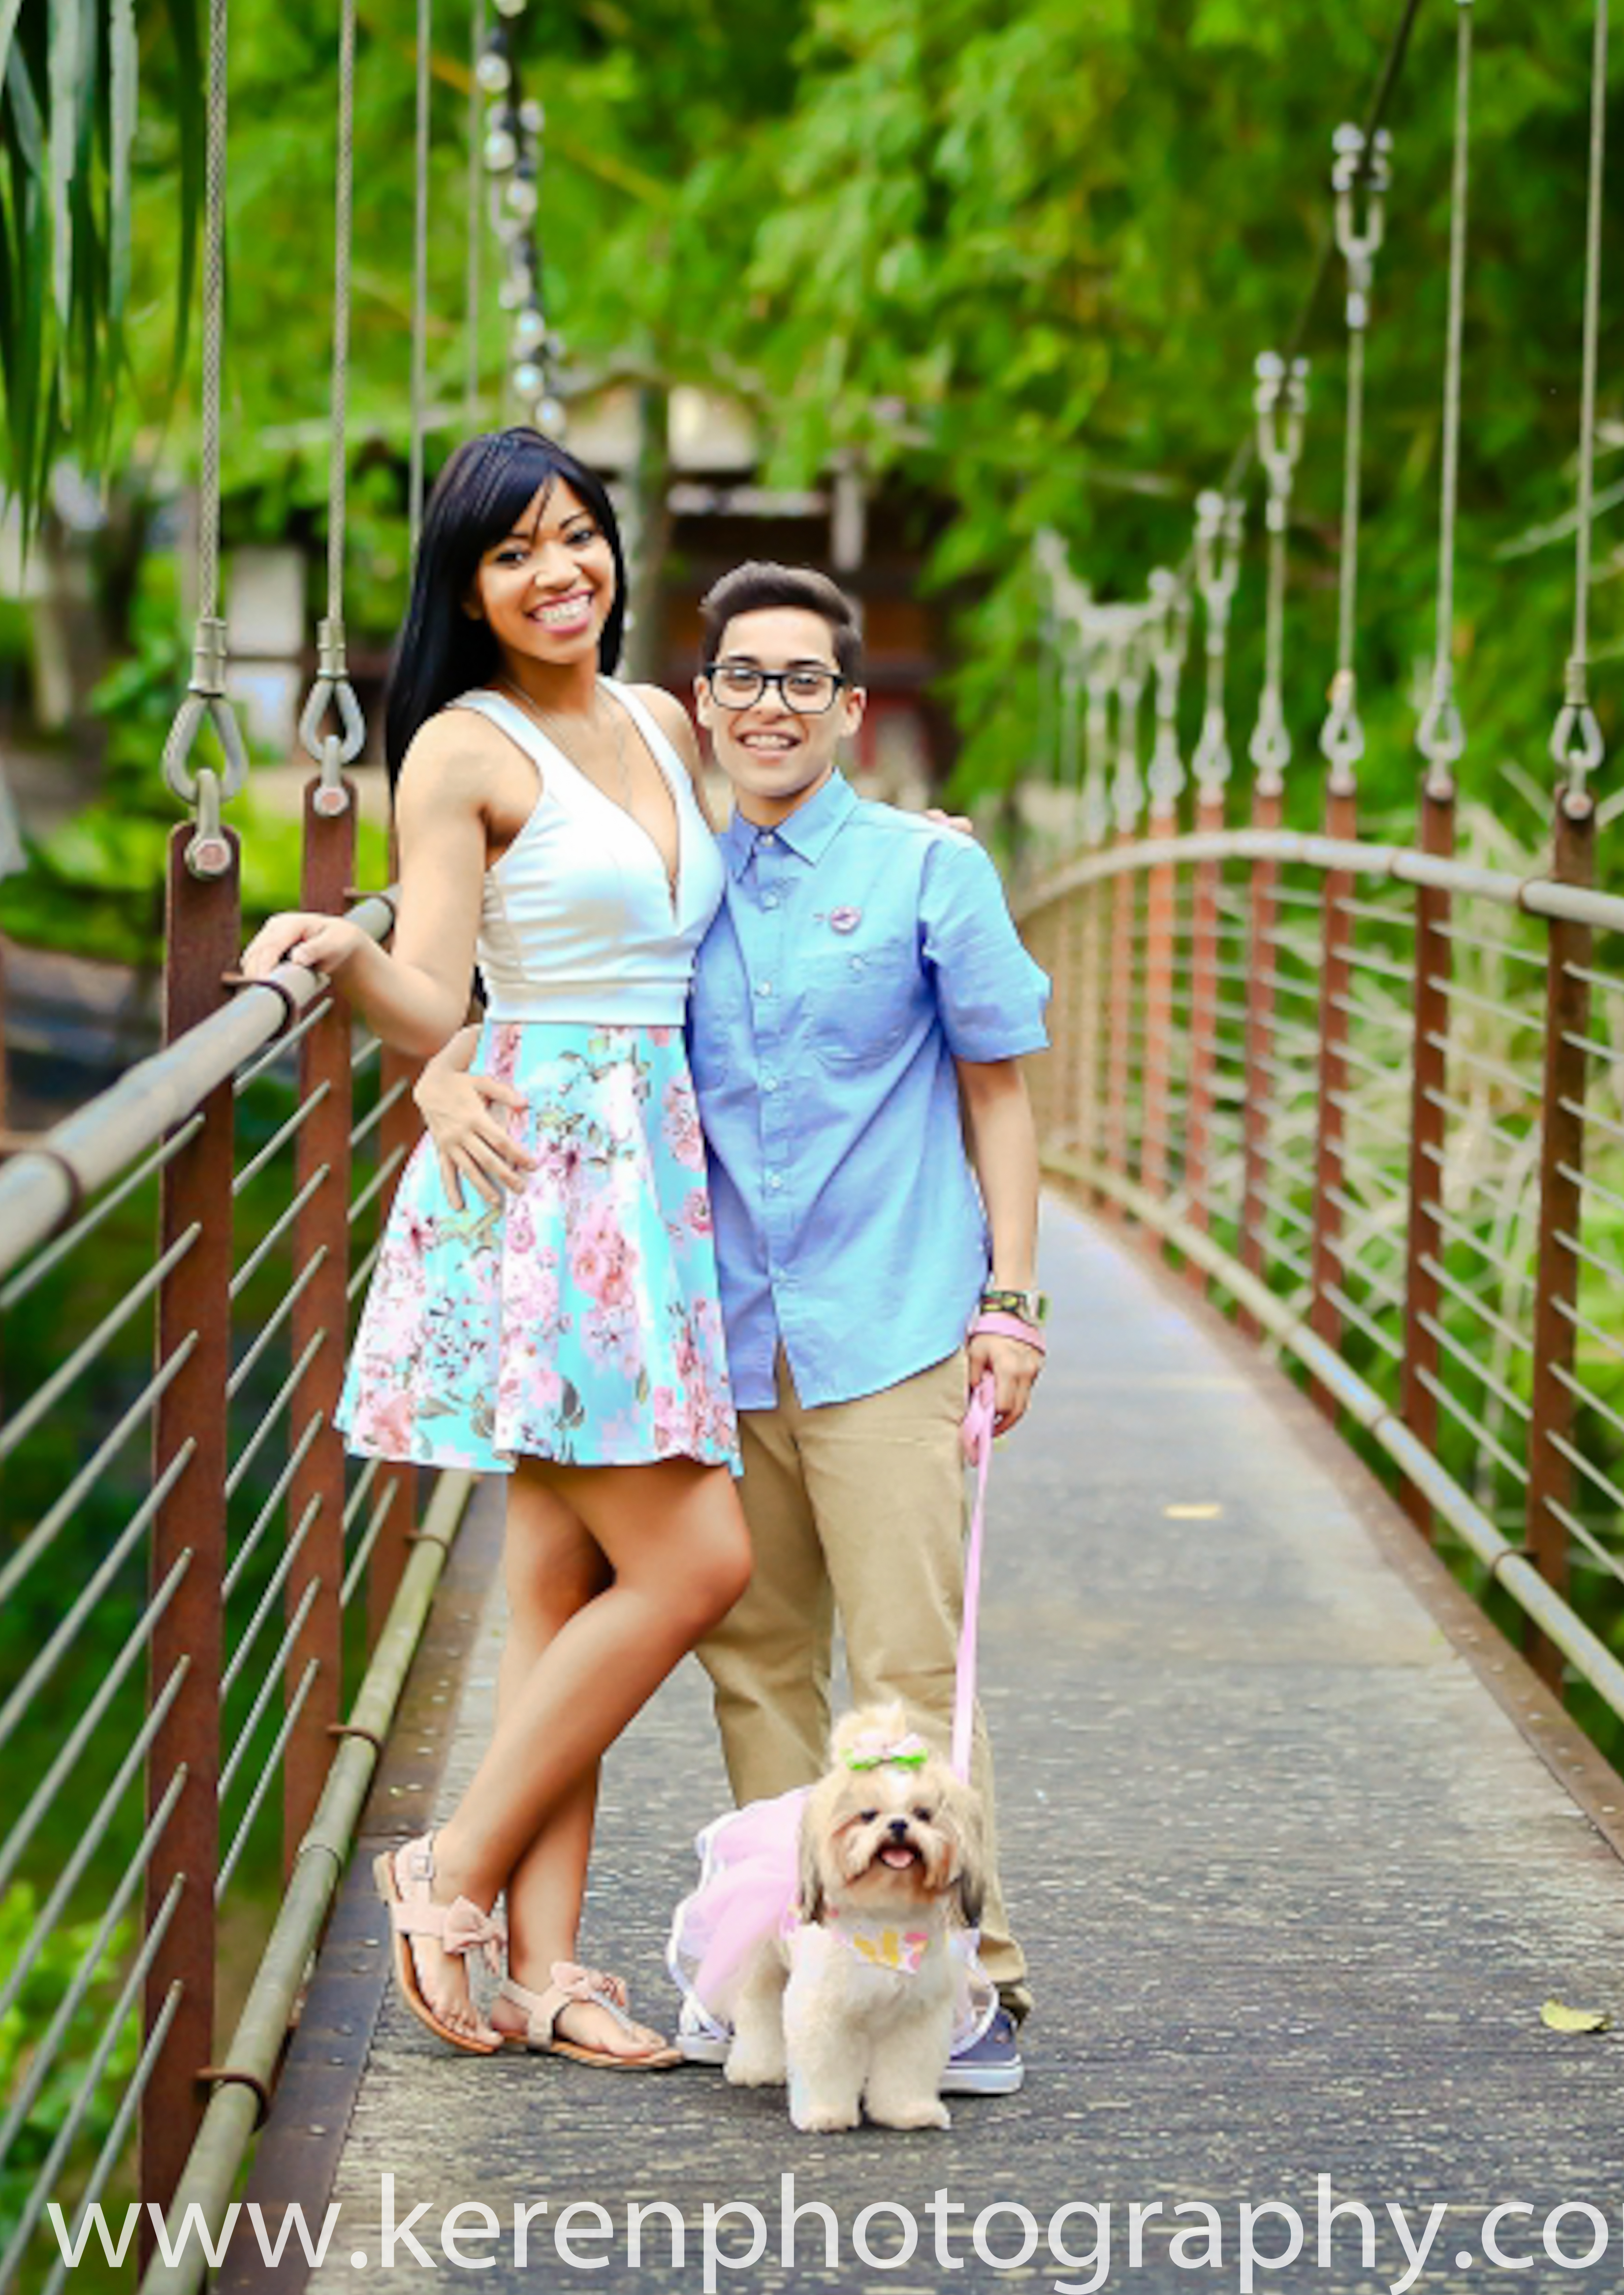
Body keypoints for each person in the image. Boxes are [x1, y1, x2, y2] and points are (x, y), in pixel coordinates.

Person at [418, 561, 1051, 2094]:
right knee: (758, 1667)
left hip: (890, 1325)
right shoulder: (671, 876)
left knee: (905, 1673)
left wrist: (1012, 1302)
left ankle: (967, 1979)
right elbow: (520, 972)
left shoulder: (927, 869)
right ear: (700, 705)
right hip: (711, 1327)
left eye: (803, 682)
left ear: (849, 709)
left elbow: (999, 1092)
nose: (771, 705)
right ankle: (791, 1963)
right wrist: (437, 1062)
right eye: (742, 680)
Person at [237, 428, 746, 2070]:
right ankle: (445, 1871)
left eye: (577, 536)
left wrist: (919, 848)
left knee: (559, 1584)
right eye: (514, 551)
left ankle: (548, 1969)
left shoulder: (664, 722)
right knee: (698, 1563)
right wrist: (341, 953)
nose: (558, 572)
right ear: (468, 584)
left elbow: (738, 912)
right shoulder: (463, 744)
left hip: (657, 1168)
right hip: (553, 1176)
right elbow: (441, 981)